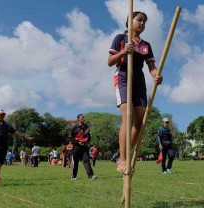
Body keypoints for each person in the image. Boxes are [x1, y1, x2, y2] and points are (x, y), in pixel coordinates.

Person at [108, 11, 163, 173]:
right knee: (128, 118)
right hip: (123, 76)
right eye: (139, 19)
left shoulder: (146, 45)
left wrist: (157, 75)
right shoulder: (120, 38)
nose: (142, 23)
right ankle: (123, 160)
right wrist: (124, 51)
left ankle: (126, 152)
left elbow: (152, 68)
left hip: (139, 80)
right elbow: (110, 62)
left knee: (140, 122)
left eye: (144, 21)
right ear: (129, 21)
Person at [69, 114, 97, 180]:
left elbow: (88, 135)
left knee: (86, 160)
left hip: (84, 146)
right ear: (78, 119)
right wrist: (77, 142)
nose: (83, 118)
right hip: (76, 147)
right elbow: (71, 137)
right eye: (82, 117)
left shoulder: (86, 127)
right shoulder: (74, 127)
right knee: (75, 161)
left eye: (84, 117)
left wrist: (87, 142)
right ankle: (73, 176)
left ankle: (91, 175)